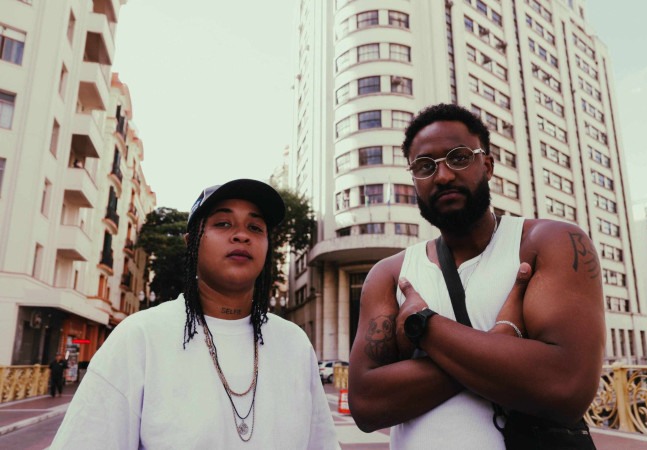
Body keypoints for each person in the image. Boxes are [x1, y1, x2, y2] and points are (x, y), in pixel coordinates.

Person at [348, 104, 605, 449]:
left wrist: (427, 327)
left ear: (487, 165)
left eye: (458, 157)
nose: (443, 176)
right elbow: (366, 405)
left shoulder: (548, 242)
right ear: (414, 180)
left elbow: (566, 387)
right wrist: (498, 346)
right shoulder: (390, 273)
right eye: (425, 166)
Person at [52, 179, 338, 449]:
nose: (241, 235)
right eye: (223, 223)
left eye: (255, 227)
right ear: (191, 242)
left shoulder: (294, 343)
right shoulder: (140, 337)